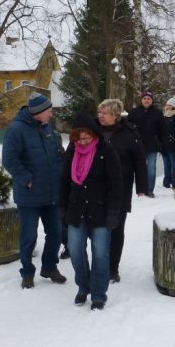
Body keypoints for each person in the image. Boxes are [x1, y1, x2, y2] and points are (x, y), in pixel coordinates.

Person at [2, 92, 67, 289]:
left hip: (51, 193)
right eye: (49, 111)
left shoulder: (47, 127)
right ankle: (27, 272)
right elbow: (9, 160)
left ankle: (49, 267)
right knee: (29, 236)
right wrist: (27, 179)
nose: (51, 114)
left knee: (55, 234)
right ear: (38, 112)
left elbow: (55, 156)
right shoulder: (16, 129)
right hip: (29, 196)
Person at [61, 114, 123, 310]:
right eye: (79, 138)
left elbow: (116, 183)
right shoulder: (71, 151)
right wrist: (62, 209)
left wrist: (114, 212)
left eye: (86, 137)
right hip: (76, 209)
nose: (83, 141)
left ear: (94, 134)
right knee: (76, 252)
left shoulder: (106, 150)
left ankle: (98, 294)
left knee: (101, 254)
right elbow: (64, 182)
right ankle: (83, 286)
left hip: (101, 211)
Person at [96, 98, 147, 283]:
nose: (100, 116)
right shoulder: (93, 130)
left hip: (121, 188)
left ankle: (112, 268)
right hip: (96, 188)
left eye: (104, 113)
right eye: (99, 112)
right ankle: (99, 264)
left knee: (116, 228)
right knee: (98, 227)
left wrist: (142, 187)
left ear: (115, 115)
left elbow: (140, 160)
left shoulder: (129, 132)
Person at [128, 91, 165, 197]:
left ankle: (149, 190)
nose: (146, 100)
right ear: (141, 100)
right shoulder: (134, 112)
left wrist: (163, 144)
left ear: (152, 100)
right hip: (137, 145)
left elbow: (162, 130)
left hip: (152, 145)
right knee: (139, 168)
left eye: (149, 98)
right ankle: (141, 190)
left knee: (151, 169)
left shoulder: (157, 113)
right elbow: (128, 128)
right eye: (145, 98)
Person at [161, 96, 175, 189]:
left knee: (174, 164)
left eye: (169, 105)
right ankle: (166, 182)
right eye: (166, 105)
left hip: (173, 144)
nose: (167, 106)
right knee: (166, 164)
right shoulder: (165, 115)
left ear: (174, 106)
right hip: (164, 144)